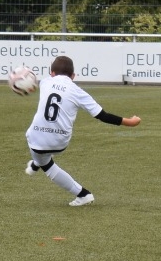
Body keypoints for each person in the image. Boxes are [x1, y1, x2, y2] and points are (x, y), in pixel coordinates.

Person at [24, 55, 139, 206]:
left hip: (37, 139)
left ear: (51, 73)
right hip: (60, 142)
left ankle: (83, 194)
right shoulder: (78, 91)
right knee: (42, 157)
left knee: (45, 161)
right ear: (73, 76)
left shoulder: (46, 82)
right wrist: (129, 122)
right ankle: (36, 164)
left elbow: (35, 82)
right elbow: (102, 115)